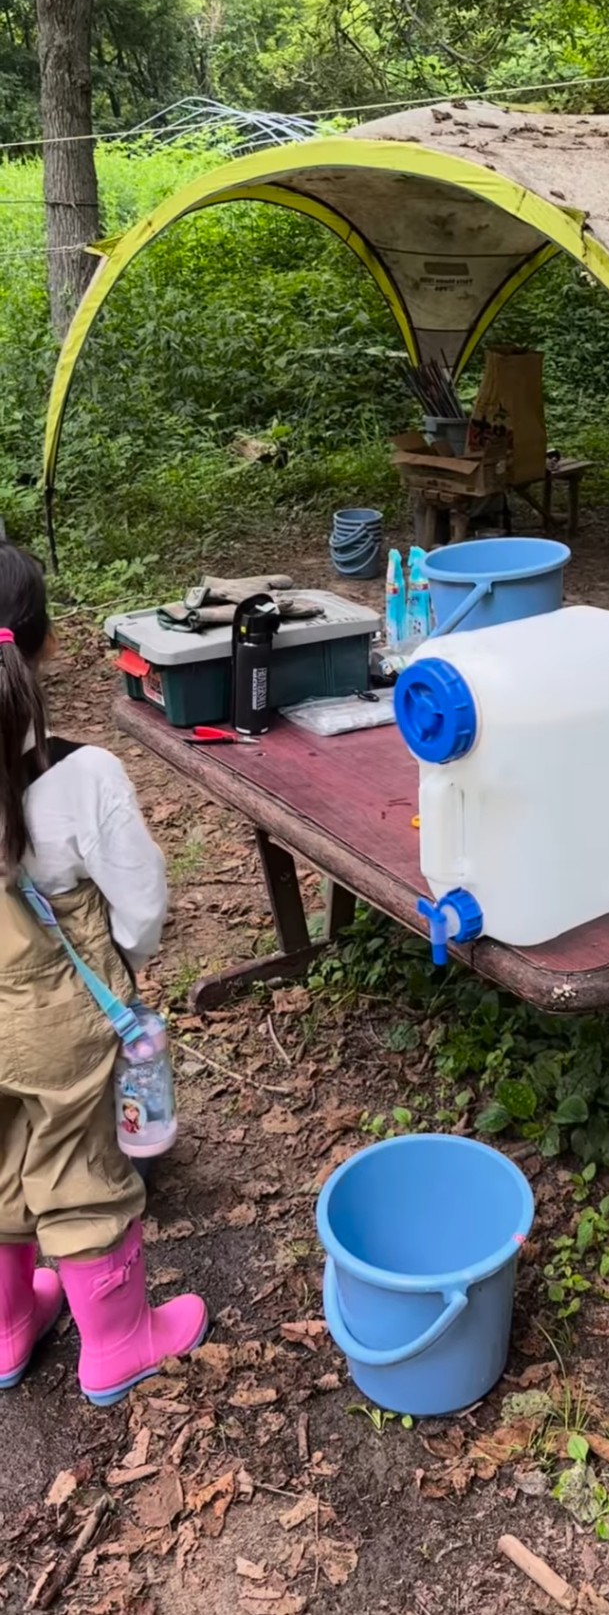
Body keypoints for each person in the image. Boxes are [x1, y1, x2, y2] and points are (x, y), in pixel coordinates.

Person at [0, 543, 207, 1405]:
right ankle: (119, 1341)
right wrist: (125, 966)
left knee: (4, 1155)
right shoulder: (81, 777)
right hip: (57, 1018)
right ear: (46, 645)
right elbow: (142, 907)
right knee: (79, 1163)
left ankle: (11, 1328)